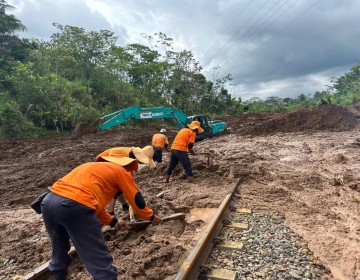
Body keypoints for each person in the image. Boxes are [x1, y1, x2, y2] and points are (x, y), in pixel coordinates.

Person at [41, 156, 161, 280]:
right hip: (74, 206)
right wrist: (151, 217)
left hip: (48, 202)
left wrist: (113, 221)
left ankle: (59, 276)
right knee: (97, 258)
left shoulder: (93, 168)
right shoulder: (120, 171)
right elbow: (136, 198)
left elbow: (90, 204)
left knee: (59, 246)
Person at [96, 146, 156, 217]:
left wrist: (132, 190)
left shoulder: (132, 156)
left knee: (121, 186)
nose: (143, 162)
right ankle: (110, 212)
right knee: (115, 187)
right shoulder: (123, 152)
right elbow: (112, 158)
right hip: (103, 163)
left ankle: (125, 206)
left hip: (112, 165)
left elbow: (129, 175)